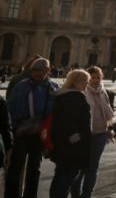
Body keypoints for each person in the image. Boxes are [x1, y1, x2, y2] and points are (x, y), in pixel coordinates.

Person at [6, 56, 59, 198]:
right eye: (34, 70)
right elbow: (10, 107)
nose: (36, 73)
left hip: (40, 132)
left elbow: (57, 110)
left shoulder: (53, 87)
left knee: (35, 168)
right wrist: (14, 126)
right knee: (15, 167)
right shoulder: (22, 85)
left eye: (40, 70)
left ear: (47, 70)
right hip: (21, 130)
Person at [69, 66, 116, 198]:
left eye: (98, 77)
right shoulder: (81, 92)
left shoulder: (106, 93)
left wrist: (110, 129)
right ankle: (75, 194)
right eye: (93, 77)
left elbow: (109, 113)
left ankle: (87, 194)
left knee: (93, 167)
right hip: (84, 135)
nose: (95, 80)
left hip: (100, 133)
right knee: (80, 166)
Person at [48, 69, 91, 198]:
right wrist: (79, 137)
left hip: (60, 143)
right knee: (68, 177)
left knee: (59, 175)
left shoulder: (60, 96)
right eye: (85, 82)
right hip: (73, 147)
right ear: (77, 82)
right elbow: (75, 123)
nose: (86, 85)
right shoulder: (77, 98)